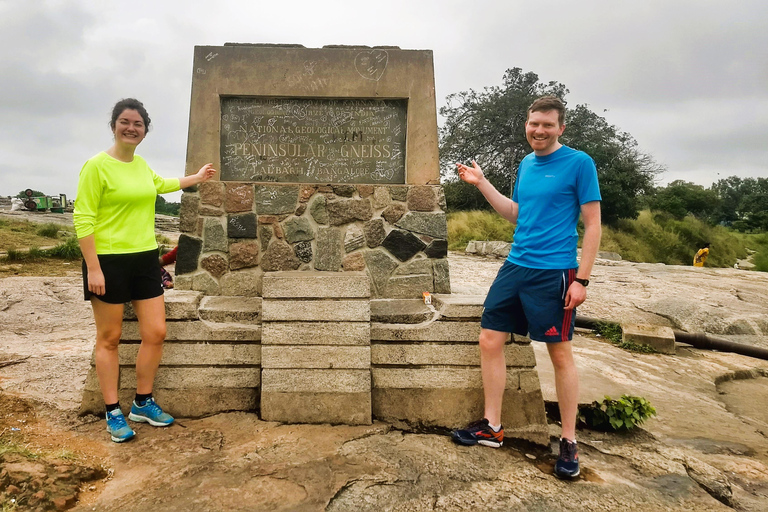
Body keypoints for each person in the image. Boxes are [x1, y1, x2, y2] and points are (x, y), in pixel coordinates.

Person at [451, 96, 602, 480]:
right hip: (516, 266)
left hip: (555, 272)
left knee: (560, 354)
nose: (539, 130)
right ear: (527, 124)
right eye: (534, 123)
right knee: (489, 339)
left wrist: (582, 279)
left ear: (560, 128)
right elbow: (517, 215)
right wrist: (482, 183)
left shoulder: (579, 163)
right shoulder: (526, 164)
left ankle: (568, 441)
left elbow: (593, 225)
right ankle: (493, 426)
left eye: (548, 125)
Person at [74, 98, 216, 443]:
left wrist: (195, 178)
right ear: (114, 126)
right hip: (107, 262)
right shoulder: (96, 166)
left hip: (144, 260)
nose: (131, 128)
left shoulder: (140, 166)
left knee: (156, 331)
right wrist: (94, 268)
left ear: (144, 131)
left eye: (138, 124)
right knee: (109, 339)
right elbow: (83, 217)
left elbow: (161, 184)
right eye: (125, 121)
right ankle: (113, 412)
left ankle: (142, 402)